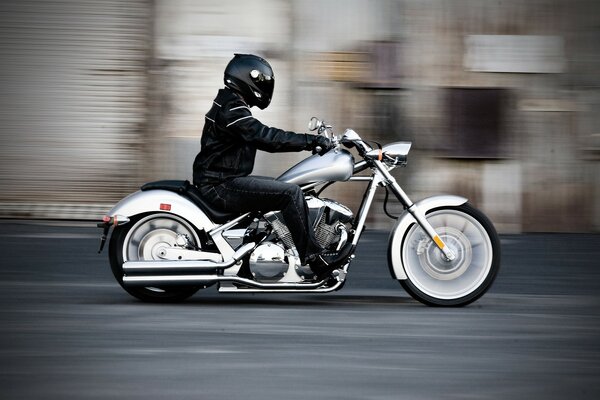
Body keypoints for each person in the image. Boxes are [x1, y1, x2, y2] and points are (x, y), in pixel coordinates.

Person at [193, 53, 341, 277]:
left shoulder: (229, 103)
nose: (264, 87)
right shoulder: (231, 108)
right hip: (220, 185)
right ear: (247, 78)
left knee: (284, 187)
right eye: (261, 81)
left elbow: (260, 135)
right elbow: (264, 136)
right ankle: (312, 258)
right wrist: (310, 141)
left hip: (222, 180)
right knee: (290, 193)